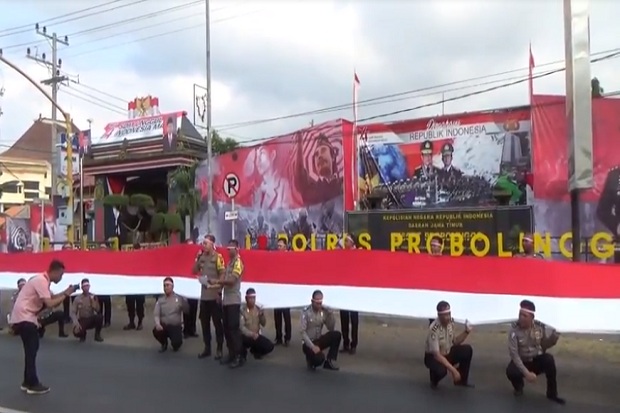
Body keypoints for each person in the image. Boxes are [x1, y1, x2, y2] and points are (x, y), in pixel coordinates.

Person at [9, 259, 76, 394]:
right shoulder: (41, 281)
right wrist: (65, 294)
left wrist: (66, 292)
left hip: (24, 317)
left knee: (30, 351)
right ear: (55, 271)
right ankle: (33, 384)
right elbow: (50, 303)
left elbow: (52, 299)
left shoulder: (43, 282)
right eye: (61, 275)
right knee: (32, 350)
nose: (61, 277)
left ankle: (27, 381)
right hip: (25, 317)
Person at [506, 300, 565, 404]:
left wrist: (554, 337)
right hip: (522, 360)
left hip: (535, 359)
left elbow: (544, 345)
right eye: (520, 314)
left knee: (549, 359)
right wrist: (526, 373)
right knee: (511, 371)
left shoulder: (539, 327)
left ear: (532, 318)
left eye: (525, 316)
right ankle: (518, 387)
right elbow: (514, 355)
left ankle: (552, 393)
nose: (521, 318)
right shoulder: (514, 330)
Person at [424, 301, 474, 389]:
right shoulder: (434, 330)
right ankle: (434, 380)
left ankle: (461, 381)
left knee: (467, 350)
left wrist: (466, 332)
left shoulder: (450, 323)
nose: (448, 317)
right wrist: (453, 370)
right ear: (439, 316)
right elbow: (437, 355)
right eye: (445, 315)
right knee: (442, 371)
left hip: (447, 351)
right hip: (434, 357)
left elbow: (455, 342)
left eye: (449, 314)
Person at [210, 239, 245, 368]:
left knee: (233, 329)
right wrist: (217, 288)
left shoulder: (238, 263)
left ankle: (239, 356)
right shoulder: (229, 263)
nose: (228, 250)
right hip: (226, 300)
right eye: (228, 248)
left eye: (230, 248)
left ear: (236, 249)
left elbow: (231, 281)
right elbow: (224, 280)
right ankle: (231, 354)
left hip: (234, 300)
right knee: (227, 329)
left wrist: (218, 282)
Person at [193, 234, 225, 359]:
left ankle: (219, 348)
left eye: (206, 243)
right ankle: (207, 348)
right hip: (204, 296)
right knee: (204, 323)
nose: (204, 245)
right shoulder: (202, 257)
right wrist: (197, 259)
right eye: (203, 243)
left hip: (214, 295)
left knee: (217, 323)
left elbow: (222, 274)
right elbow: (194, 271)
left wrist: (219, 290)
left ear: (212, 244)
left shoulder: (218, 257)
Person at [300, 290, 341, 371]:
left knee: (336, 335)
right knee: (319, 359)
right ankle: (311, 361)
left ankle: (329, 361)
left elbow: (331, 328)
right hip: (308, 343)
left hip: (318, 339)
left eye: (320, 303)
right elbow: (302, 332)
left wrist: (330, 314)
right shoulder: (305, 312)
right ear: (312, 301)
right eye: (317, 303)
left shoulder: (323, 311)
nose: (319, 305)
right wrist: (312, 346)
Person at [153, 277, 189, 353]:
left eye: (168, 285)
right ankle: (164, 343)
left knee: (176, 344)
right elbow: (156, 314)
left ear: (172, 286)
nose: (166, 287)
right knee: (156, 331)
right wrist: (157, 324)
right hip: (164, 326)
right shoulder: (160, 300)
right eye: (164, 285)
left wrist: (185, 302)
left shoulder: (179, 298)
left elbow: (186, 311)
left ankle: (175, 341)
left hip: (175, 326)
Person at [240, 288, 274, 361]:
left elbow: (264, 324)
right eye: (250, 298)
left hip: (256, 336)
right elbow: (241, 327)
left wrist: (261, 316)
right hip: (247, 336)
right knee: (239, 339)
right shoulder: (242, 310)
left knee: (270, 346)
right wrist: (251, 334)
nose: (252, 300)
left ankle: (256, 351)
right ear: (246, 299)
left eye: (254, 298)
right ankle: (242, 354)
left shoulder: (258, 309)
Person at [339, 235, 359, 354]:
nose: (345, 243)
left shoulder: (357, 255)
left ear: (352, 243)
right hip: (344, 291)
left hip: (354, 292)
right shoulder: (342, 254)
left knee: (354, 319)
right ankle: (346, 342)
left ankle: (354, 344)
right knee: (344, 318)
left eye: (347, 241)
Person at [71, 278, 104, 343]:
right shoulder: (78, 298)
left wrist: (93, 302)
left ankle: (97, 335)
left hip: (91, 318)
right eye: (84, 286)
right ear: (82, 288)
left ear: (89, 286)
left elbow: (98, 310)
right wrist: (76, 323)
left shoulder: (93, 296)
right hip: (83, 319)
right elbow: (73, 312)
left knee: (100, 317)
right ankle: (83, 335)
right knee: (76, 332)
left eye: (87, 286)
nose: (86, 288)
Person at [273, 238, 292, 346]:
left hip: (286, 291)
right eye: (278, 246)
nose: (278, 248)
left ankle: (287, 337)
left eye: (280, 246)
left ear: (285, 246)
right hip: (277, 290)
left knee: (286, 315)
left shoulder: (290, 257)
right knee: (277, 315)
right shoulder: (275, 257)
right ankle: (278, 336)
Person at [124, 243, 146, 331]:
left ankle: (140, 322)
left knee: (140, 305)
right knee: (130, 305)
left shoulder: (143, 259)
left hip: (140, 286)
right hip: (130, 286)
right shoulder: (129, 259)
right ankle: (131, 322)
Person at [183, 240, 199, 339]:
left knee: (194, 308)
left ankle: (192, 329)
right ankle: (186, 330)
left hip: (194, 286)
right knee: (186, 310)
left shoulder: (197, 258)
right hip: (186, 286)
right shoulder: (183, 259)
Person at [97, 244, 112, 327]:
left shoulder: (109, 258)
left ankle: (107, 321)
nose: (102, 249)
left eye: (104, 248)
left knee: (107, 304)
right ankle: (99, 321)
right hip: (99, 285)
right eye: (101, 248)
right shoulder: (96, 259)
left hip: (106, 285)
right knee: (99, 305)